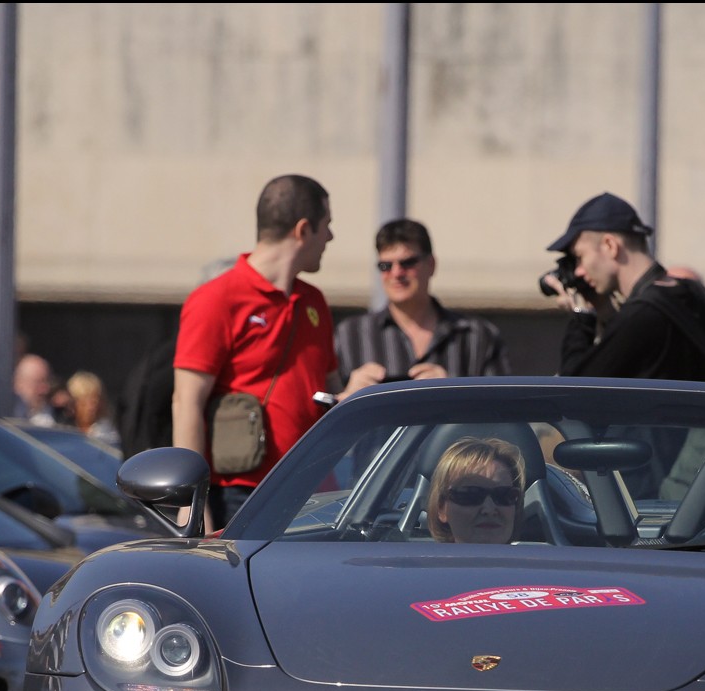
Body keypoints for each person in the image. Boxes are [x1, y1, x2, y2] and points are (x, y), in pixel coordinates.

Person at [173, 175, 337, 529]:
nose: (331, 238)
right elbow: (186, 403)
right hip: (240, 495)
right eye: (327, 226)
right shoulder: (217, 298)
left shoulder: (315, 302)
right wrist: (192, 503)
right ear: (303, 229)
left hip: (311, 494)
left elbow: (325, 391)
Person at [542, 192, 705, 382]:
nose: (579, 271)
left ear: (610, 245)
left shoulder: (642, 315)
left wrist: (582, 317)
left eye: (580, 257)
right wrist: (605, 312)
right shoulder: (690, 294)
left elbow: (574, 389)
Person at [332, 218, 510, 400]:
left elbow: (504, 412)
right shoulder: (349, 336)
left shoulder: (476, 336)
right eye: (386, 266)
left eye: (407, 263)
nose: (396, 273)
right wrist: (348, 396)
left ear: (431, 265)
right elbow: (320, 413)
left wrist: (455, 391)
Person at [427, 437, 524, 545]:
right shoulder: (413, 560)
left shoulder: (541, 560)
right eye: (471, 495)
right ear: (441, 508)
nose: (489, 509)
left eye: (504, 496)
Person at [64, 371, 121, 448]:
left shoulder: (108, 434)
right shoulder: (59, 428)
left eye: (95, 400)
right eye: (84, 402)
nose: (91, 407)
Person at [12, 353, 62, 426]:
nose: (45, 389)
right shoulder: (5, 418)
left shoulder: (62, 416)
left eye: (48, 381)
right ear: (19, 384)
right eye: (37, 383)